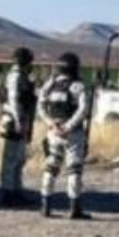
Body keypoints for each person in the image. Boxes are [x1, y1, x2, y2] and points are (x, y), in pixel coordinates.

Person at [37, 52, 90, 219]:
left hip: (53, 131)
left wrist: (51, 124)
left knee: (51, 166)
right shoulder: (78, 86)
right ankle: (75, 208)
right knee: (74, 169)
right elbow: (83, 110)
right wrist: (68, 126)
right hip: (73, 133)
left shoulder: (50, 85)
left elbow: (41, 106)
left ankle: (45, 206)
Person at [0, 47, 37, 207]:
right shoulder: (15, 77)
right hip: (14, 121)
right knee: (11, 159)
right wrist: (20, 122)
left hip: (20, 120)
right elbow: (14, 100)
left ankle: (16, 191)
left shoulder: (22, 76)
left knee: (19, 159)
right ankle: (8, 193)